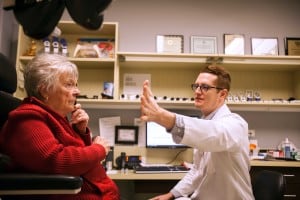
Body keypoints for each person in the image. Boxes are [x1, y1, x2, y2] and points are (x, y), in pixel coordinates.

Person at [0, 53, 120, 200]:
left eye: (75, 85)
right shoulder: (27, 119)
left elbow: (80, 161)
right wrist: (99, 150)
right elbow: (56, 160)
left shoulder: (55, 118)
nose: (77, 91)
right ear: (44, 91)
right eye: (69, 84)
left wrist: (79, 131)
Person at [140, 65, 254, 200]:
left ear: (222, 94)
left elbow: (214, 134)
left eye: (205, 87)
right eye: (196, 86)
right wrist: (171, 194)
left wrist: (164, 117)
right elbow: (197, 170)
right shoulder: (205, 122)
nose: (198, 91)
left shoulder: (235, 124)